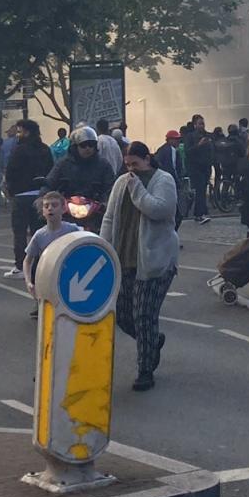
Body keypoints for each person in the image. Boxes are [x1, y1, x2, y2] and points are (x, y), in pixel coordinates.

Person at [101, 141, 178, 391]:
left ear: (147, 159)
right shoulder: (121, 183)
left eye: (136, 163)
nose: (131, 169)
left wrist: (138, 191)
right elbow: (109, 217)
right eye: (127, 165)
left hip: (155, 261)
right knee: (122, 314)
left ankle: (145, 369)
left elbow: (162, 210)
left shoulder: (162, 180)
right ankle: (153, 340)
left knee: (144, 315)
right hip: (124, 259)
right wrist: (103, 249)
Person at [3, 119, 53, 275]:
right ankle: (40, 265)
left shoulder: (19, 150)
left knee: (20, 233)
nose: (18, 135)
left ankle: (20, 266)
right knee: (38, 232)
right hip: (40, 196)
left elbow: (10, 171)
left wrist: (10, 190)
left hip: (21, 196)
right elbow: (51, 171)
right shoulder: (45, 149)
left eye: (20, 131)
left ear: (27, 132)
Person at [22, 188, 82, 317]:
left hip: (67, 272)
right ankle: (40, 301)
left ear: (63, 209)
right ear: (42, 211)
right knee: (38, 263)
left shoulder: (73, 230)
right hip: (47, 272)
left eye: (54, 205)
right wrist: (28, 282)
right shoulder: (39, 235)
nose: (50, 209)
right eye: (46, 206)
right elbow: (27, 261)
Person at [45, 126, 114, 223]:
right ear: (74, 146)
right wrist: (44, 200)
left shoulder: (104, 165)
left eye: (91, 145)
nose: (88, 148)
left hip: (95, 214)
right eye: (83, 145)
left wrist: (105, 204)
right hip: (66, 214)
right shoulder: (63, 164)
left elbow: (110, 187)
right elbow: (50, 183)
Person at [184, 113, 213, 224]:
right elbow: (188, 152)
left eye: (203, 123)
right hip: (196, 167)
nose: (202, 126)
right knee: (200, 190)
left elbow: (212, 151)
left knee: (203, 190)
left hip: (206, 167)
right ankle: (199, 214)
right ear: (195, 125)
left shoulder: (207, 136)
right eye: (200, 124)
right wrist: (198, 145)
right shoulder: (190, 137)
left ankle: (200, 212)